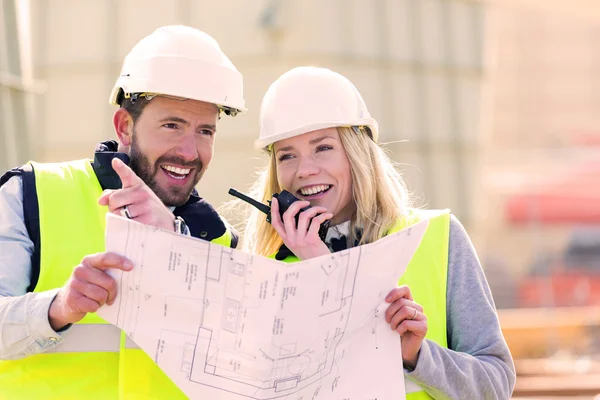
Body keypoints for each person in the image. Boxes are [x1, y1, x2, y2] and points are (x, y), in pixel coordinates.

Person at [0, 25, 245, 399]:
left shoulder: (219, 237)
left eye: (205, 131)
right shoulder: (30, 194)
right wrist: (59, 307)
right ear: (125, 126)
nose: (190, 152)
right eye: (172, 125)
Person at [242, 66, 516, 399]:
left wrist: (417, 356)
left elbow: (495, 386)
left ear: (357, 152)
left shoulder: (437, 238)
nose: (305, 170)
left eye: (323, 147)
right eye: (287, 155)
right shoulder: (268, 272)